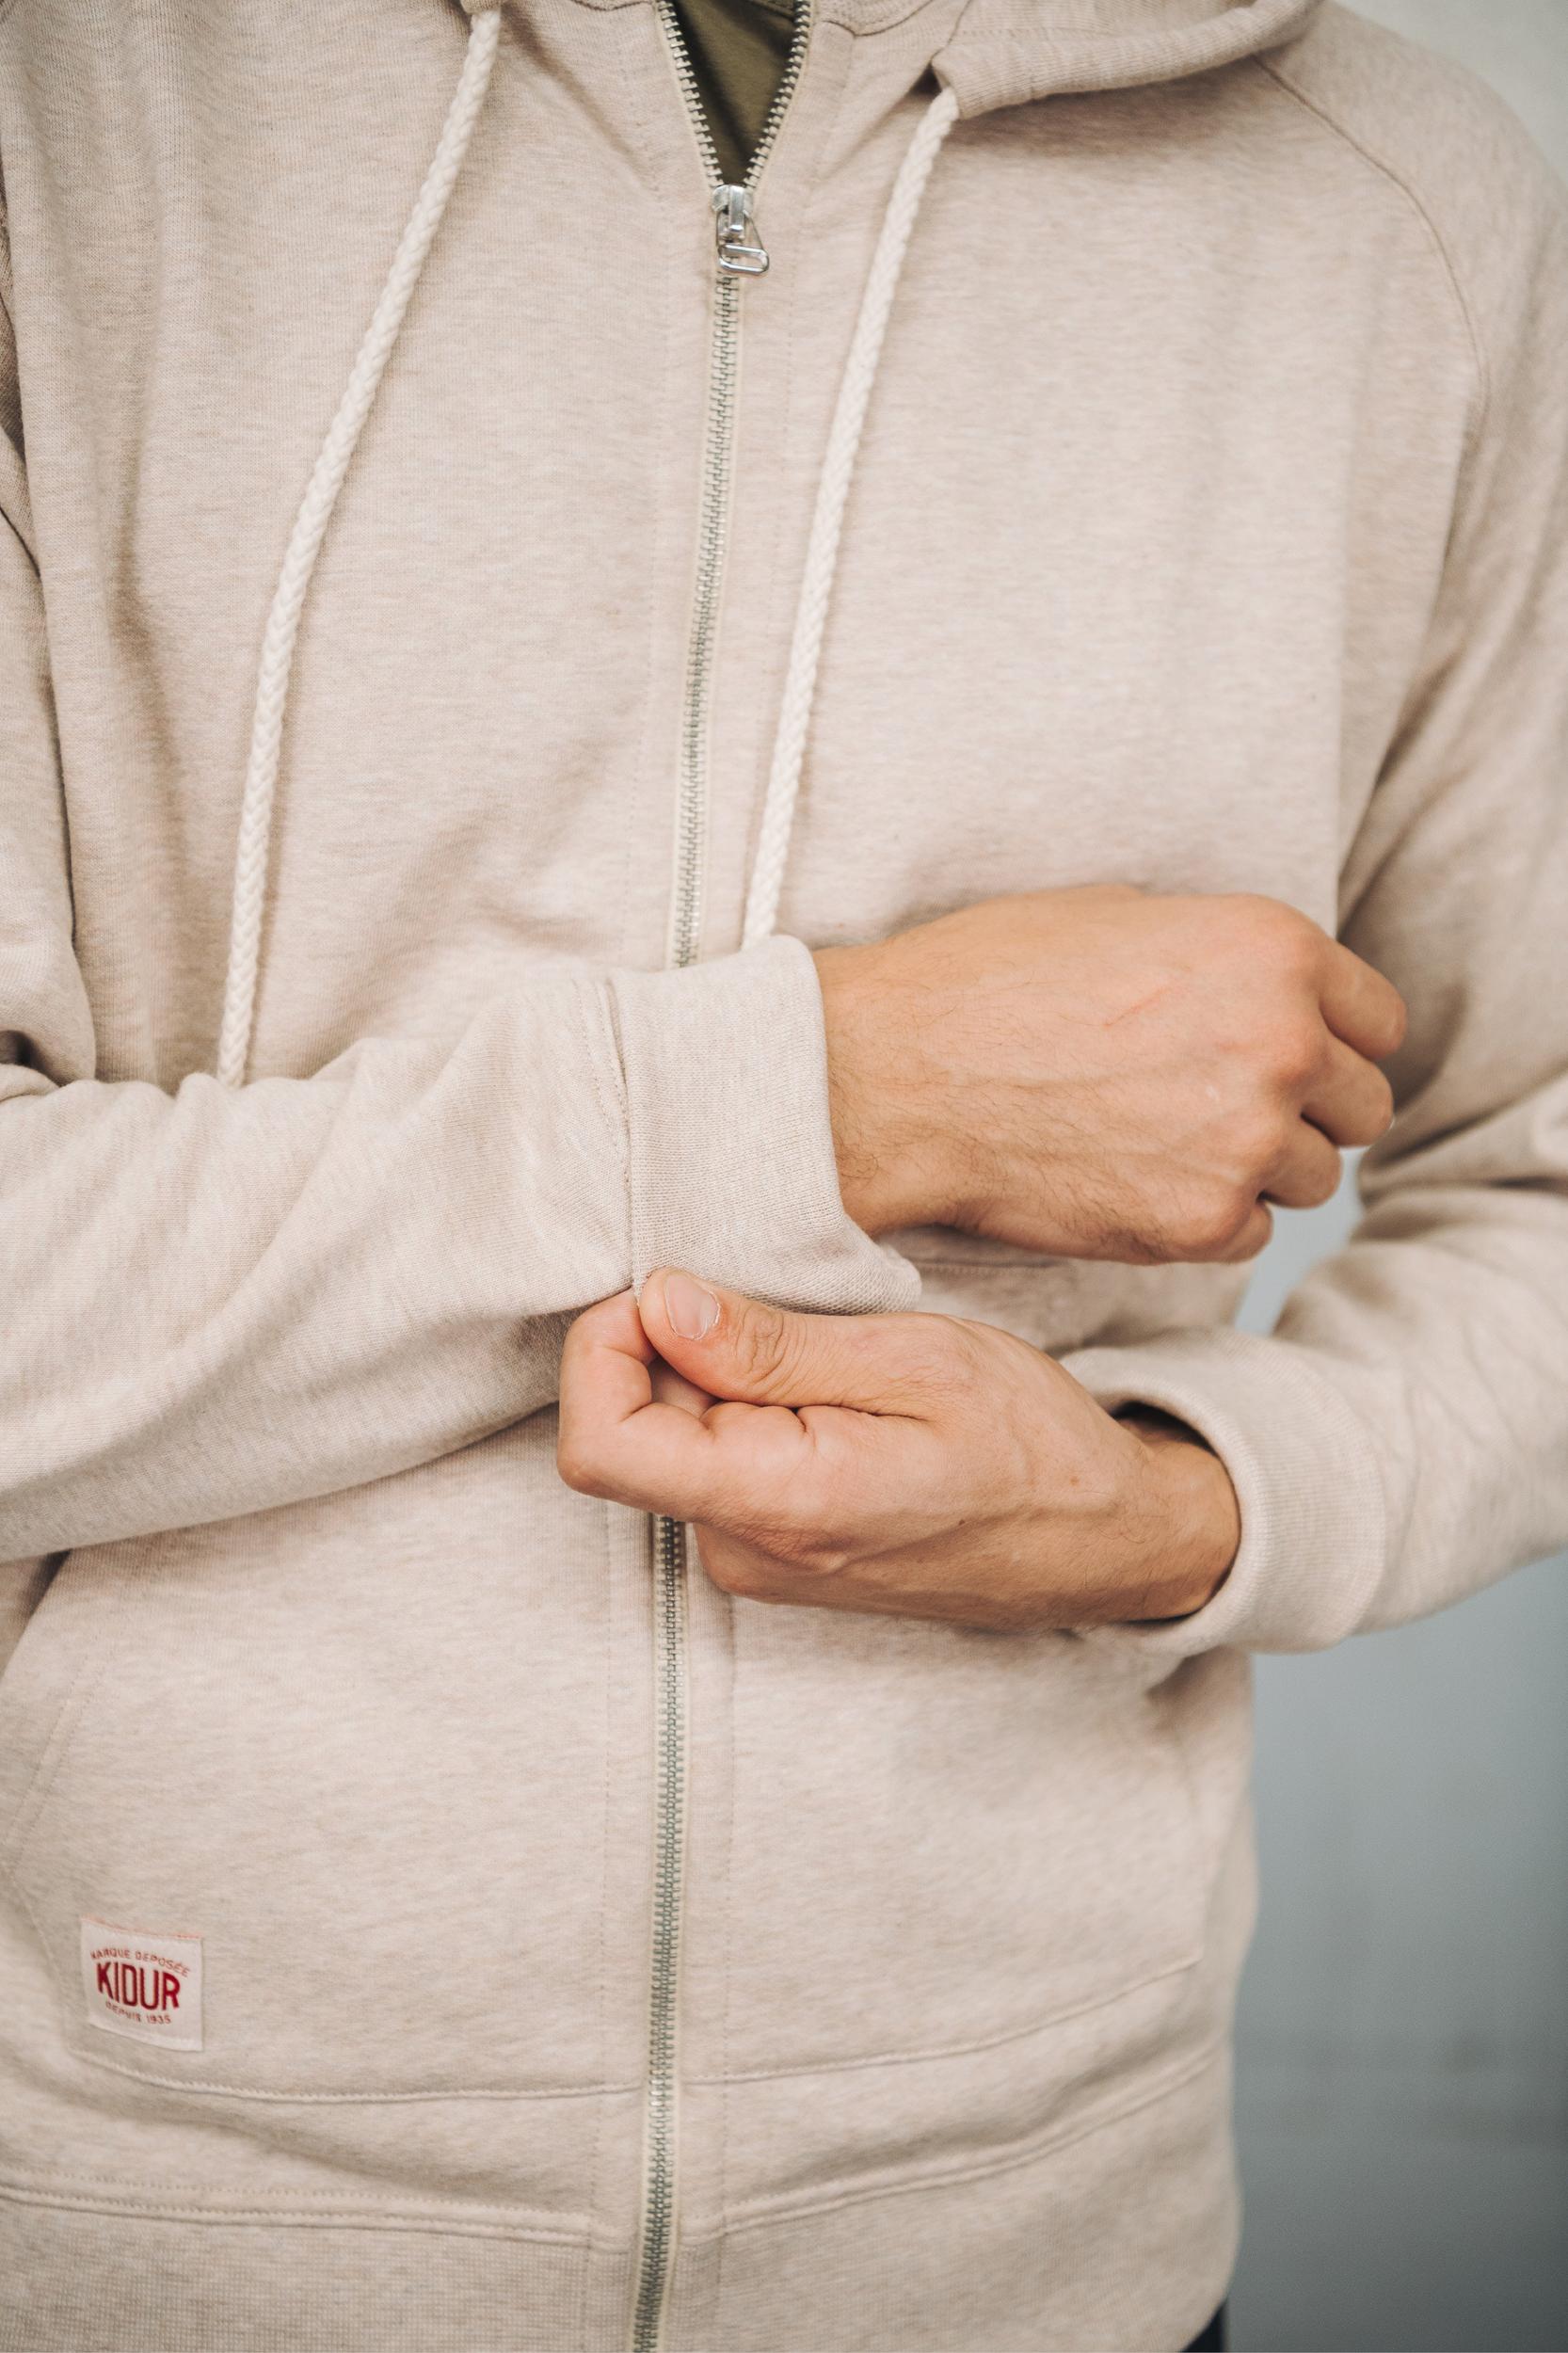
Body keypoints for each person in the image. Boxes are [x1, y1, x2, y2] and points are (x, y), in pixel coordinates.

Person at [0, 0, 1563, 2346]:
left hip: (1048, 2247)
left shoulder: (1406, 210)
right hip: (145, 2228)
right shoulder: (65, 100)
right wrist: (831, 1095)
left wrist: (1172, 1502)